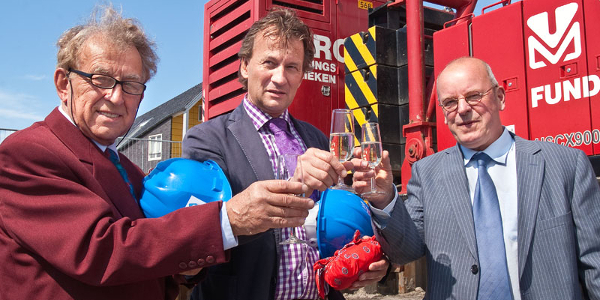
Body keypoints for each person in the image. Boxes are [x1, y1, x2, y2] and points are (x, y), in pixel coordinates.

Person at [0, 5, 315, 300]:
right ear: (63, 84)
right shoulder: (28, 154)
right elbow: (102, 252)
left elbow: (150, 254)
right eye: (101, 79)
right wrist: (227, 221)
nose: (115, 97)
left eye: (131, 85)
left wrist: (186, 271)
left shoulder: (127, 167)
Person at [183, 8, 388, 300]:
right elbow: (200, 236)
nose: (280, 78)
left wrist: (360, 256)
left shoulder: (315, 137)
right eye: (269, 63)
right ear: (244, 66)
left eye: (292, 67)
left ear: (302, 74)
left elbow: (331, 230)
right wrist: (296, 184)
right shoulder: (207, 140)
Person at [354, 56, 600, 299]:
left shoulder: (565, 165)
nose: (462, 109)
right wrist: (384, 198)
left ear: (500, 97)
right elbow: (405, 251)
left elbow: (594, 261)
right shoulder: (427, 174)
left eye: (473, 96)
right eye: (450, 102)